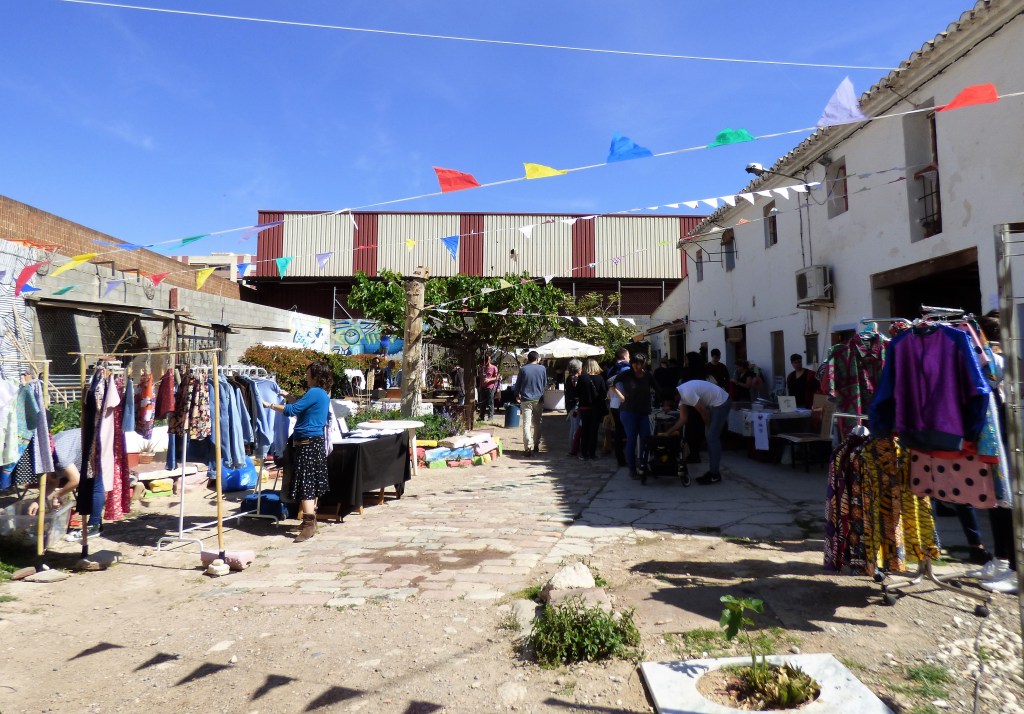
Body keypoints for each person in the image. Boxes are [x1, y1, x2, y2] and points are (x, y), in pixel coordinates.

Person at [263, 362, 332, 542]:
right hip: (314, 443)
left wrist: (269, 405)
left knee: (306, 483)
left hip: (307, 444)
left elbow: (292, 411)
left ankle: (309, 524)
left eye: (308, 374)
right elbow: (302, 406)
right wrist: (288, 396)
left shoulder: (314, 392)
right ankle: (311, 520)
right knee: (311, 482)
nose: (306, 377)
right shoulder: (321, 394)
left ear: (316, 375)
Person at [671, 379, 732, 485]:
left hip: (722, 401)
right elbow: (683, 419)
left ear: (675, 397)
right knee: (710, 436)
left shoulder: (687, 393)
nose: (672, 404)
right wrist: (669, 432)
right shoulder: (679, 395)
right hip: (714, 403)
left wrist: (709, 428)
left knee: (712, 437)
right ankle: (713, 471)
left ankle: (715, 475)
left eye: (670, 402)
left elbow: (704, 413)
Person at [610, 354, 655, 479]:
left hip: (643, 412)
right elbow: (610, 383)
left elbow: (657, 387)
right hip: (628, 412)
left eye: (639, 363)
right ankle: (632, 469)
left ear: (643, 364)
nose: (636, 365)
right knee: (632, 439)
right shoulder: (626, 374)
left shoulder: (647, 376)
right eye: (634, 363)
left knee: (646, 439)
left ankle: (643, 466)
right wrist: (621, 396)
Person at [514, 350, 548, 456]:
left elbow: (518, 384)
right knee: (538, 423)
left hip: (526, 399)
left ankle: (527, 447)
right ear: (537, 359)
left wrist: (516, 395)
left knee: (526, 424)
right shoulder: (542, 369)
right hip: (539, 399)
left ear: (528, 359)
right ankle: (536, 444)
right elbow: (545, 384)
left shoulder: (523, 369)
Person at [576, 359, 607, 461]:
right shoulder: (600, 378)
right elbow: (604, 394)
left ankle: (584, 453)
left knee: (585, 430)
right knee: (594, 431)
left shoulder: (582, 379)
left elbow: (577, 393)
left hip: (584, 408)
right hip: (596, 408)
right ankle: (592, 453)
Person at [605, 348, 631, 467]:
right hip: (624, 402)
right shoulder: (626, 368)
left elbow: (610, 385)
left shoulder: (612, 369)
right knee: (628, 431)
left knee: (618, 431)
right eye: (629, 356)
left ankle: (620, 457)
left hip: (614, 402)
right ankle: (628, 457)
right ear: (625, 357)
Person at [565, 359, 583, 457]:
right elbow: (576, 390)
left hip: (570, 404)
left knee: (573, 427)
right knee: (576, 427)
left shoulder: (569, 377)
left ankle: (572, 446)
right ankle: (574, 447)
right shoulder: (574, 378)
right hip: (574, 405)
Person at [478, 354, 499, 421]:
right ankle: (481, 417)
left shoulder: (494, 368)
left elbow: (497, 378)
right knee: (482, 403)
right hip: (482, 387)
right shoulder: (482, 368)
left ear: (489, 361)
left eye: (486, 361)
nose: (484, 363)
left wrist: (489, 380)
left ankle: (490, 417)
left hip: (490, 387)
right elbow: (481, 378)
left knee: (490, 402)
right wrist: (480, 386)